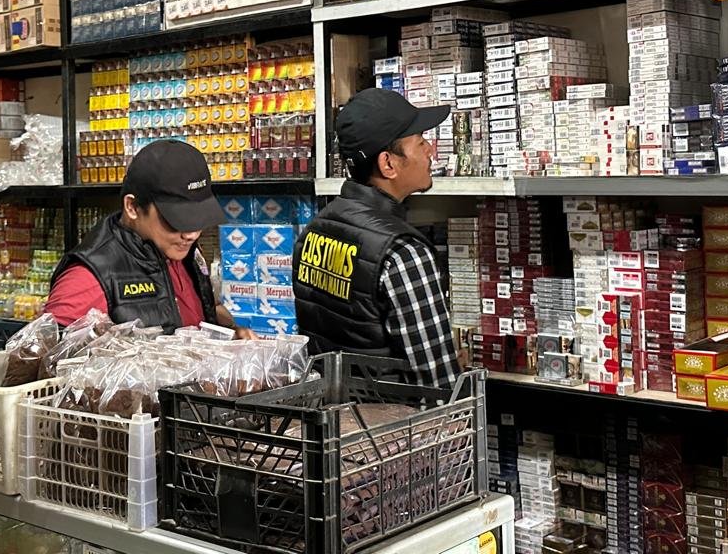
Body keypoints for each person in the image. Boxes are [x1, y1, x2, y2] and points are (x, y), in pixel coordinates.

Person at [293, 87, 459, 389]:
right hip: (393, 416)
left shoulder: (313, 232)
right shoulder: (403, 252)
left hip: (334, 413)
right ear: (388, 164)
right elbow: (437, 385)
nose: (431, 151)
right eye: (421, 142)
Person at [46, 139, 255, 338]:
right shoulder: (88, 278)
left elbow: (189, 315)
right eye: (176, 220)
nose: (191, 234)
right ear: (132, 207)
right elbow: (46, 354)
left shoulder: (182, 251)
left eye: (197, 218)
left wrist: (227, 337)